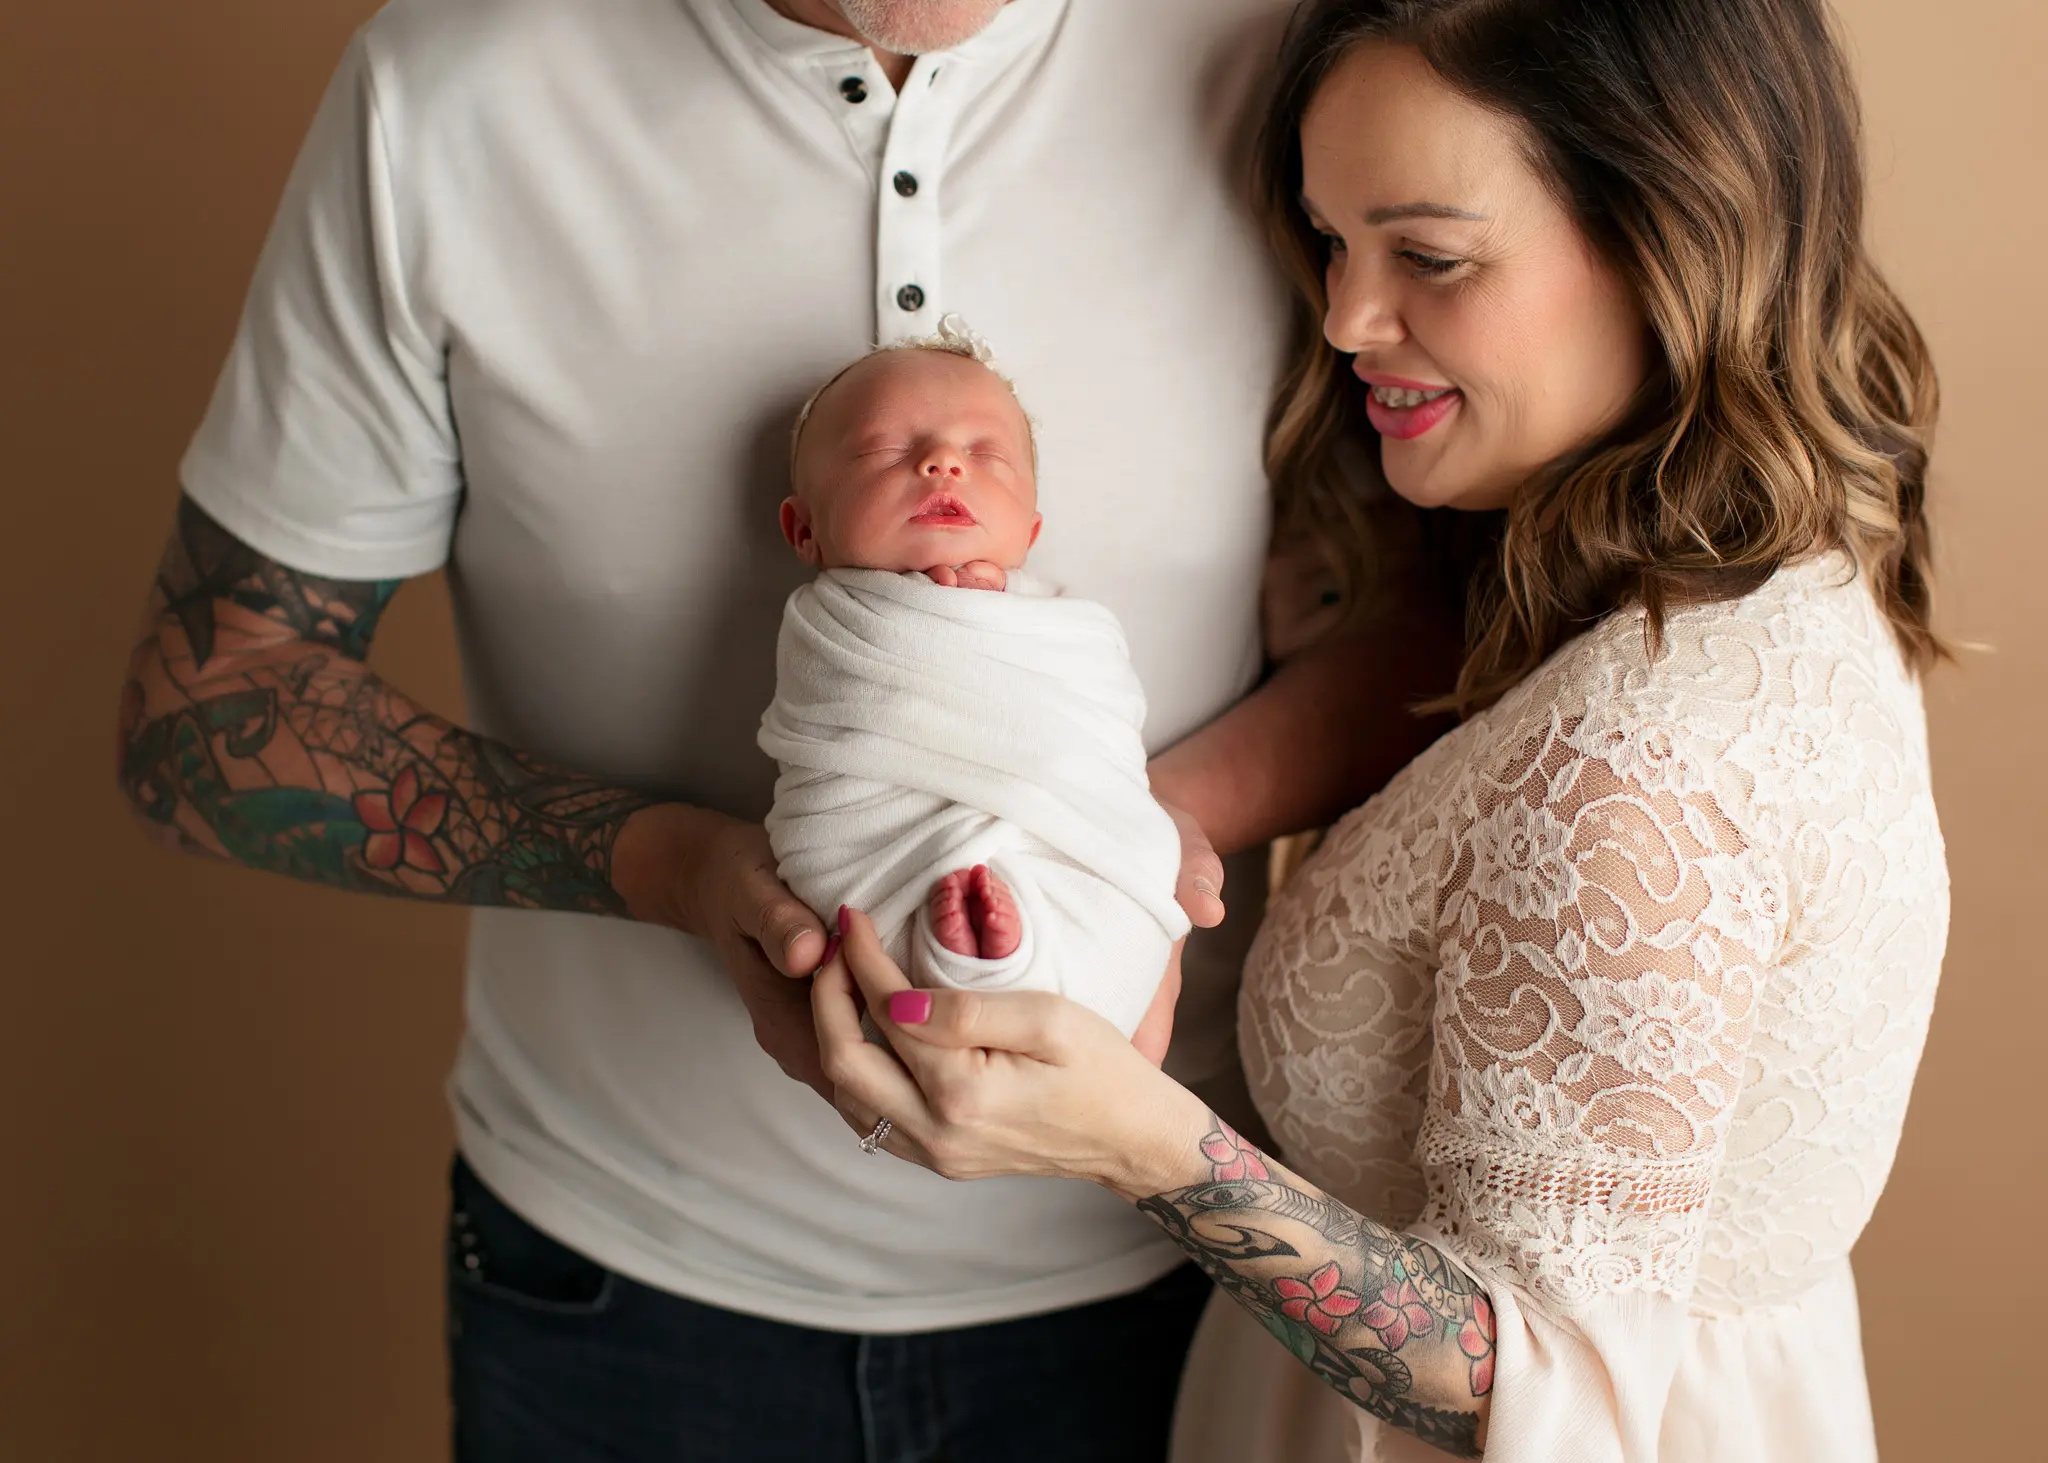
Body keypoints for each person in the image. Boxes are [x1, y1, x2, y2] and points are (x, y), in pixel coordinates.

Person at [115, 0, 1455, 1457]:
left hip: (1172, 1276)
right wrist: (678, 869)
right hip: (620, 1287)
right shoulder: (451, 90)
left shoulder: (1286, 63)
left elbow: (1454, 610)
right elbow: (210, 708)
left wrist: (1132, 839)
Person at [813, 1, 1950, 1460]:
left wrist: (1134, 1137)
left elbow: (1549, 1390)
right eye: (1332, 241)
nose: (1347, 315)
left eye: (1431, 255)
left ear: (1676, 231)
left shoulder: (1636, 783)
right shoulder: (1737, 558)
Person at [762, 322, 1190, 1045]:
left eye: (986, 454)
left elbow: (1099, 736)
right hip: (881, 844)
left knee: (1123, 900)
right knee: (874, 924)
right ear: (803, 531)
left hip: (1067, 842)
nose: (942, 463)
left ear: (1030, 530)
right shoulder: (826, 626)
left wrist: (977, 621)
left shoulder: (1066, 630)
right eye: (884, 451)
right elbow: (838, 727)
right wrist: (936, 619)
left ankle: (1003, 956)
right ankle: (970, 956)